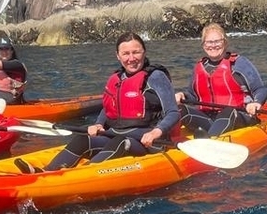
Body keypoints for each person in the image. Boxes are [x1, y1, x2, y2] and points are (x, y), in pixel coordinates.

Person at [20, 32, 179, 173]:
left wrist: (156, 132)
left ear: (144, 52)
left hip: (148, 142)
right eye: (126, 53)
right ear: (118, 55)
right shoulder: (117, 79)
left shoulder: (156, 77)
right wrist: (98, 124)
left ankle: (81, 174)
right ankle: (45, 171)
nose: (131, 58)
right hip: (114, 134)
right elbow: (109, 107)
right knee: (83, 139)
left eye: (136, 52)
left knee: (122, 142)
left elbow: (173, 112)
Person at [174, 23, 267, 136]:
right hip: (209, 119)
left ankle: (210, 143)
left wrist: (256, 103)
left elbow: (260, 89)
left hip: (238, 116)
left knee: (228, 111)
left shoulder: (239, 63)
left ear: (225, 42)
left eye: (218, 41)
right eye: (209, 42)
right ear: (203, 45)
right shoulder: (199, 67)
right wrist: (182, 95)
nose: (213, 45)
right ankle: (163, 144)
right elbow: (193, 96)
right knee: (179, 109)